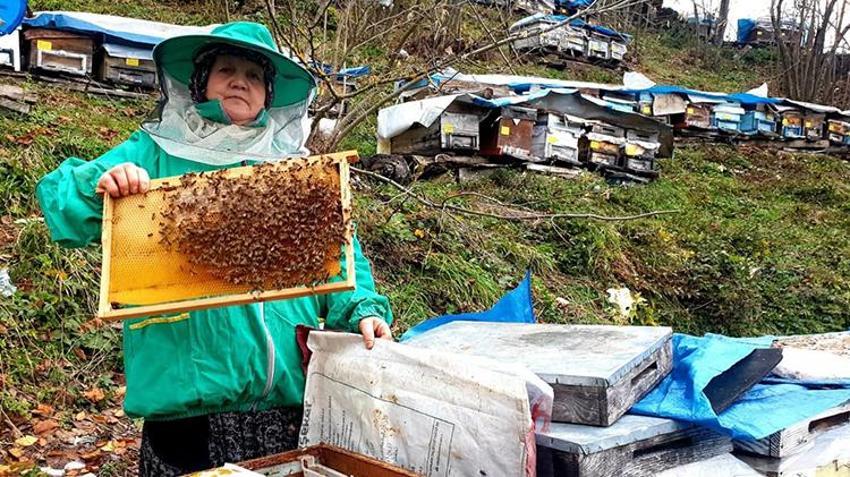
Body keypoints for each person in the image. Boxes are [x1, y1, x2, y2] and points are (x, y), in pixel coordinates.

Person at [35, 22, 393, 475]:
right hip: (187, 402)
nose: (240, 80)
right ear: (201, 81)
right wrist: (101, 185)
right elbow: (62, 203)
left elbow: (339, 257)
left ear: (269, 95)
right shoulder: (154, 151)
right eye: (227, 69)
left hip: (281, 401)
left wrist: (362, 309)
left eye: (254, 75)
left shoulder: (296, 172)